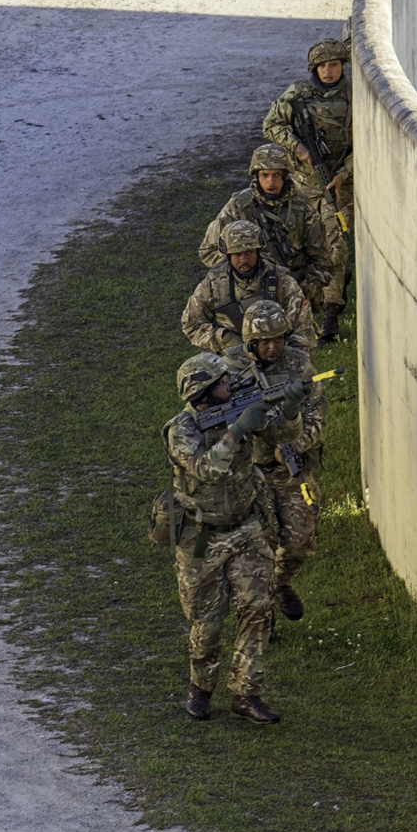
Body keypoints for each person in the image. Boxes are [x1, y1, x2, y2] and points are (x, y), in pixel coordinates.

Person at [162, 351, 301, 724]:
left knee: (258, 609)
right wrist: (237, 431)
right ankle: (200, 688)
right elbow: (205, 469)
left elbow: (282, 436)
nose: (232, 384)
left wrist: (289, 409)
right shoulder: (182, 430)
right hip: (202, 537)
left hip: (246, 527)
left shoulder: (242, 407)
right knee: (207, 623)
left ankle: (246, 694)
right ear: (204, 393)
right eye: (223, 382)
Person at [224, 300, 326, 622]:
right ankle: (261, 616)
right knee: (259, 547)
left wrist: (297, 443)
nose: (272, 347)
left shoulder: (301, 367)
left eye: (278, 339)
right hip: (249, 473)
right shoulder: (230, 370)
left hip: (290, 469)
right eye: (264, 342)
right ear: (251, 342)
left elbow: (317, 415)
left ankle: (278, 583)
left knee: (301, 541)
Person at [263, 38, 353, 342]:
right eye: (323, 66)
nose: (328, 71)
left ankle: (331, 310)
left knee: (335, 243)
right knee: (300, 248)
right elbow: (271, 125)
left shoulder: (354, 97)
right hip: (303, 185)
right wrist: (297, 146)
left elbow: (368, 141)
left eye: (334, 65)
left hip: (339, 186)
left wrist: (343, 175)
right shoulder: (298, 94)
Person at [198, 143, 332, 307]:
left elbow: (322, 259)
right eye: (265, 175)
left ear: (286, 176)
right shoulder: (238, 206)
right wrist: (246, 260)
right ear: (256, 177)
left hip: (293, 292)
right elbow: (208, 252)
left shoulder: (302, 208)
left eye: (276, 175)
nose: (271, 181)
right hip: (246, 293)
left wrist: (305, 290)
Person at [181, 219, 316, 353]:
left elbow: (302, 329)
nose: (244, 259)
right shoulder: (212, 285)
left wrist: (287, 359)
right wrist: (224, 338)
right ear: (228, 256)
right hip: (229, 359)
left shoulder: (282, 282)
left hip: (274, 357)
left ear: (258, 252)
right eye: (237, 254)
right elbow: (191, 324)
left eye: (249, 253)